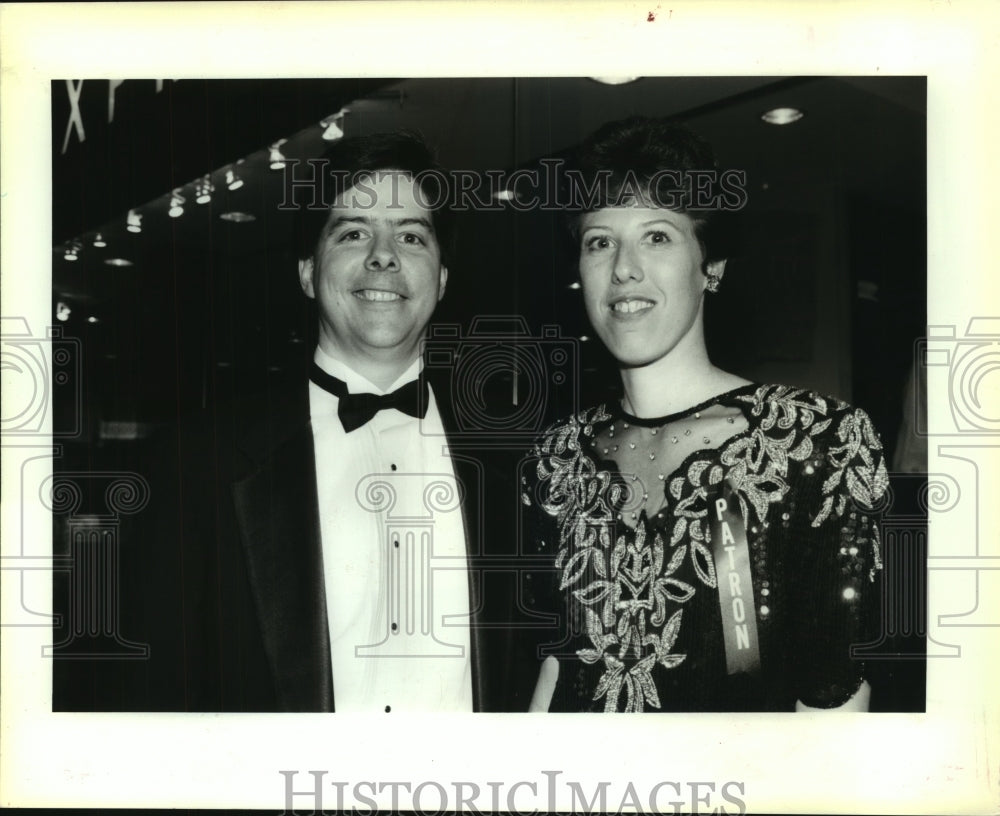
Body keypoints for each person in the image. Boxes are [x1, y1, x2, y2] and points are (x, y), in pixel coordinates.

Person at [126, 132, 518, 713]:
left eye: (411, 235)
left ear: (441, 279)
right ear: (308, 272)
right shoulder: (196, 461)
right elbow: (147, 697)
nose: (384, 255)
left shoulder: (518, 464)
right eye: (354, 232)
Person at [521, 117, 890, 713]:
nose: (623, 268)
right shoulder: (555, 457)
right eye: (599, 240)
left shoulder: (817, 441)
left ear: (711, 266)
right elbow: (558, 664)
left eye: (658, 236)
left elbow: (832, 697)